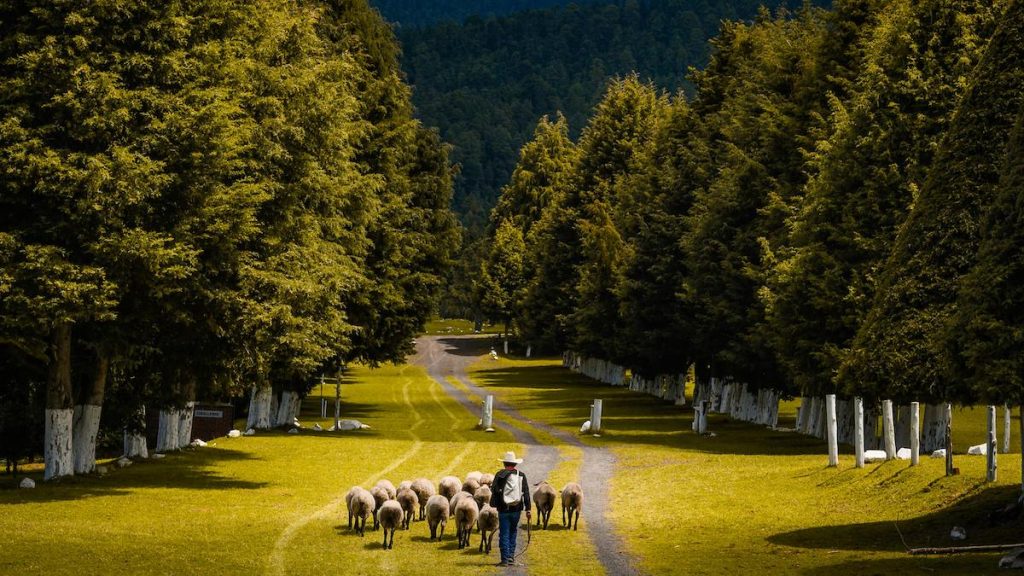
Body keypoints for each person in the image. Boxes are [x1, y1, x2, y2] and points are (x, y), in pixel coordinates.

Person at [489, 450, 532, 567]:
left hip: (503, 509)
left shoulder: (500, 474)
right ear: (515, 464)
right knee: (513, 532)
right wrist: (528, 509)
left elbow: (494, 491)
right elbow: (526, 493)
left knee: (504, 533)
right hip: (517, 509)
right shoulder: (521, 475)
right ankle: (511, 557)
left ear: (504, 463)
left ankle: (504, 560)